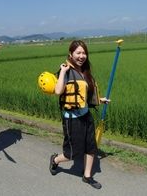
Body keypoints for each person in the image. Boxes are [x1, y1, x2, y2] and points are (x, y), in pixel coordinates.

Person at [49, 40, 110, 189]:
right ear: (71, 54)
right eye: (78, 53)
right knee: (72, 153)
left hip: (86, 116)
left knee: (91, 147)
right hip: (72, 119)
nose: (82, 56)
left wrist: (100, 100)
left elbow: (84, 95)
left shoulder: (85, 72)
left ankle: (87, 176)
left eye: (84, 53)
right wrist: (62, 71)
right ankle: (55, 160)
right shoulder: (66, 71)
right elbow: (58, 91)